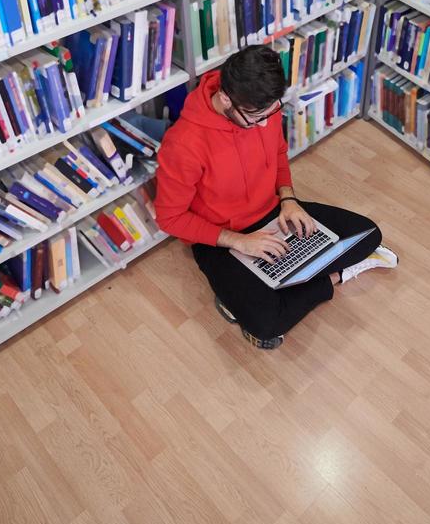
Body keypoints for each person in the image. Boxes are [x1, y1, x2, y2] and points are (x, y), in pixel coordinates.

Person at [153, 46, 397, 349]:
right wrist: (238, 241)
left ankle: (285, 285)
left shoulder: (262, 106)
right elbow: (169, 218)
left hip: (275, 214)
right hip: (222, 239)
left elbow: (279, 153)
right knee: (266, 324)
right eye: (257, 117)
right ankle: (332, 278)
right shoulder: (183, 145)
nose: (268, 123)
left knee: (369, 235)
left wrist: (289, 199)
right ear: (226, 99)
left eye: (273, 111)